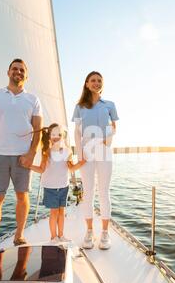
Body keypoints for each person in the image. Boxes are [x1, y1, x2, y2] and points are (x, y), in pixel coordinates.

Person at [0, 58, 42, 255]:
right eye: (15, 69)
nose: (18, 72)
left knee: (22, 196)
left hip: (22, 156)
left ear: (26, 75)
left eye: (22, 70)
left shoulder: (33, 100)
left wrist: (31, 154)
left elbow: (38, 129)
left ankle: (19, 235)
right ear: (8, 72)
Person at [72, 71, 119, 250]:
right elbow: (77, 131)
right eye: (93, 80)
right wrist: (80, 153)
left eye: (99, 80)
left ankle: (105, 233)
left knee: (104, 192)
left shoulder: (109, 105)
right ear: (86, 83)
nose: (96, 83)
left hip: (104, 152)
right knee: (88, 192)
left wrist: (108, 138)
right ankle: (90, 231)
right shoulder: (79, 107)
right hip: (86, 153)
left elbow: (114, 127)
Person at [30, 123, 85, 244]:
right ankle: (53, 237)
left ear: (63, 136)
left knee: (62, 212)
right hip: (50, 188)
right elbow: (41, 169)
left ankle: (61, 235)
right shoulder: (46, 152)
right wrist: (28, 165)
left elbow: (71, 168)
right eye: (53, 134)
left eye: (59, 134)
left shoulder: (67, 151)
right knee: (54, 212)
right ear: (49, 136)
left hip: (64, 187)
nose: (56, 137)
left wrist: (81, 163)